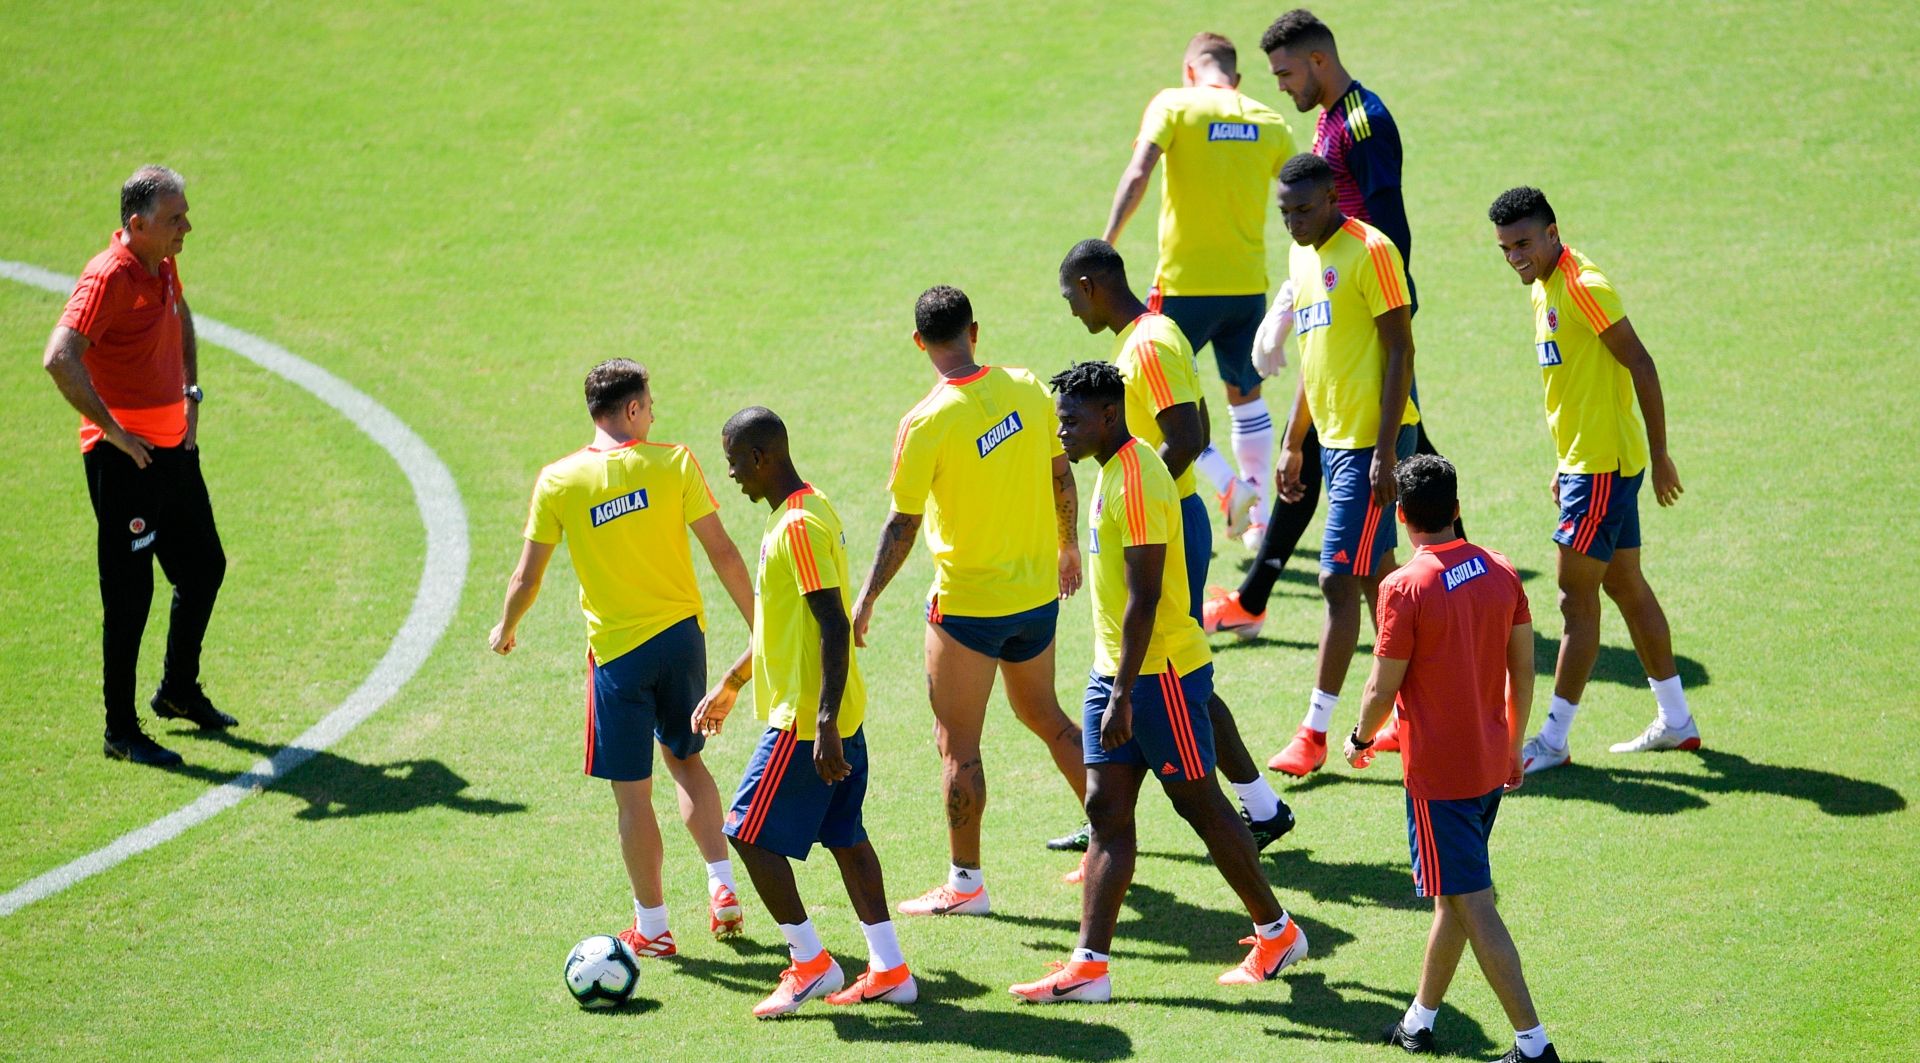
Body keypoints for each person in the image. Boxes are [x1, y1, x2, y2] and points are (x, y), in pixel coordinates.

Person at [1009, 361, 1307, 1004]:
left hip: (1158, 674)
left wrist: (1121, 694)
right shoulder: (1110, 469)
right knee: (1106, 813)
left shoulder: (1138, 478)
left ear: (1109, 415)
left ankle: (1277, 931)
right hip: (1116, 673)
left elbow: (1145, 598)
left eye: (1072, 419)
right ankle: (1089, 967)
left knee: (1199, 806)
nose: (1061, 430)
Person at [489, 359, 755, 957]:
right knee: (688, 763)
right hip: (683, 641)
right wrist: (761, 627)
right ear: (631, 410)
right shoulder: (675, 462)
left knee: (633, 796)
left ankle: (654, 927)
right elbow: (725, 553)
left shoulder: (558, 481)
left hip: (617, 658)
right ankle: (722, 887)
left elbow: (526, 577)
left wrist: (506, 628)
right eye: (650, 402)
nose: (655, 411)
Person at [1208, 7, 1459, 640]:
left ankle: (1466, 587)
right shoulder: (1329, 120)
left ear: (1318, 60)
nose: (1281, 86)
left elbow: (1386, 231)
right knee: (1335, 462)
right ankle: (1258, 595)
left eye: (1286, 73)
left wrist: (1374, 318)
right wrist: (1297, 301)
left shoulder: (1364, 123)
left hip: (1372, 324)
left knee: (1403, 464)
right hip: (1341, 316)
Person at [851, 285, 1088, 916]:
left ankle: (965, 886)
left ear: (919, 342)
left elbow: (901, 525)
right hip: (1037, 595)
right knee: (1049, 718)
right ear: (974, 331)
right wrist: (1068, 548)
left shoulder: (925, 421)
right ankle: (1111, 841)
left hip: (966, 611)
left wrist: (867, 596)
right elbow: (1060, 471)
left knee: (958, 747)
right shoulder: (1027, 386)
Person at [1059, 239, 1294, 850]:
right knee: (1182, 674)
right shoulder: (1150, 334)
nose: (1071, 313)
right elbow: (1200, 424)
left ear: (1089, 285)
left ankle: (1247, 810)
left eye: (1070, 299)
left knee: (1175, 670)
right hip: (1166, 517)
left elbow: (1187, 436)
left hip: (1163, 525)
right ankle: (1261, 806)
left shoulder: (1148, 345)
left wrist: (1139, 501)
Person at [694, 407, 915, 1018]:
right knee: (846, 838)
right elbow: (780, 624)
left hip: (805, 723)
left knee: (744, 832)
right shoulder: (807, 510)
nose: (733, 475)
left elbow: (831, 623)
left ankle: (810, 962)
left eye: (736, 462)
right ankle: (891, 968)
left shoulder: (796, 526)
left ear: (762, 457)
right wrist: (735, 681)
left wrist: (822, 723)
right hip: (831, 715)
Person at [1342, 455, 1559, 1062]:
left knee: (1473, 901)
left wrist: (1360, 739)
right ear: (1457, 507)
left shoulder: (1402, 587)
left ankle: (1533, 1045)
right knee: (1454, 898)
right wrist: (1515, 744)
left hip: (1440, 779)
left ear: (1401, 516)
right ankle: (1419, 1021)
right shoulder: (1502, 571)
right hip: (1491, 764)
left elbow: (1382, 687)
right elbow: (1523, 668)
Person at [1488, 186, 1696, 770]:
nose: (1515, 257)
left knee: (1574, 603)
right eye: (1505, 247)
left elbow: (1641, 364)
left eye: (1524, 243)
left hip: (1601, 470)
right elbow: (1576, 387)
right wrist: (1565, 460)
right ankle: (1677, 720)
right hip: (1593, 464)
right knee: (1626, 585)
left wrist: (1662, 456)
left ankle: (1551, 741)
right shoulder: (1542, 285)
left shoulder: (1583, 286)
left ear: (1553, 232)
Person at [43, 165, 231, 767]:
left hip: (173, 449)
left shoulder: (160, 263)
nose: (187, 227)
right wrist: (115, 432)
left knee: (203, 567)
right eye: (176, 219)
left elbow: (182, 318)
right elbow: (59, 358)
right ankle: (120, 731)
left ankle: (177, 691)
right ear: (137, 224)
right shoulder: (109, 277)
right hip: (126, 461)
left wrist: (192, 395)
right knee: (130, 594)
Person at [1102, 31, 1295, 548]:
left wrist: (1107, 243)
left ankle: (1229, 487)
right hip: (1247, 288)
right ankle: (1256, 520)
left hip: (1184, 287)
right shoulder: (1269, 120)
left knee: (1150, 397)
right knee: (1245, 397)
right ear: (1236, 78)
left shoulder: (1174, 104)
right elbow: (1303, 184)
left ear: (1190, 70)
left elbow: (1140, 170)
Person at [1264, 153, 1419, 777]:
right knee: (1379, 584)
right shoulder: (1303, 258)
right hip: (1333, 442)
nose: (1295, 222)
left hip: (1371, 445)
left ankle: (1316, 733)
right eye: (1285, 212)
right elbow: (1313, 356)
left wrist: (1385, 451)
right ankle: (1413, 715)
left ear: (1333, 198)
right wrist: (1293, 440)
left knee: (1334, 578)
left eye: (1304, 208)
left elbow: (1401, 347)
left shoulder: (1372, 250)